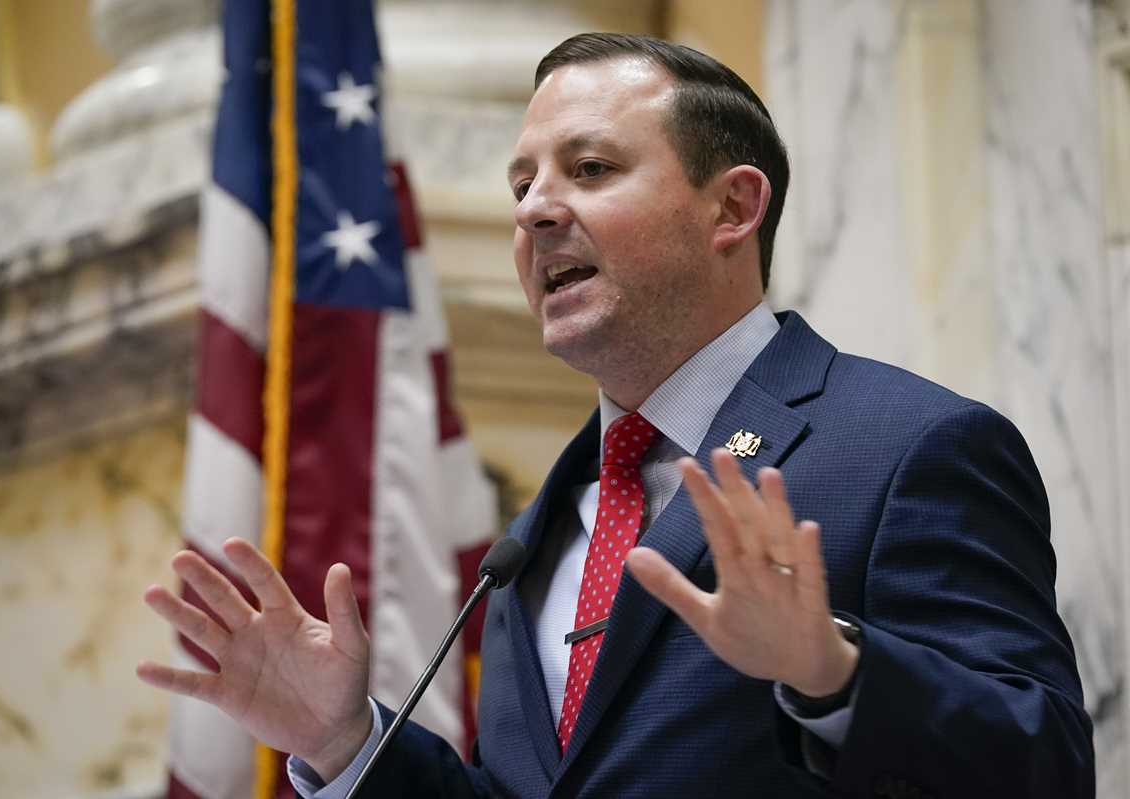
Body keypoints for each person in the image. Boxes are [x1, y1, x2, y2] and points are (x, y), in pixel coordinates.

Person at [138, 33, 1095, 798]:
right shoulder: (534, 536)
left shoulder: (908, 447)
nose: (534, 212)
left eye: (590, 168)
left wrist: (836, 673)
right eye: (522, 185)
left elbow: (1045, 763)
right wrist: (345, 742)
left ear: (733, 208)